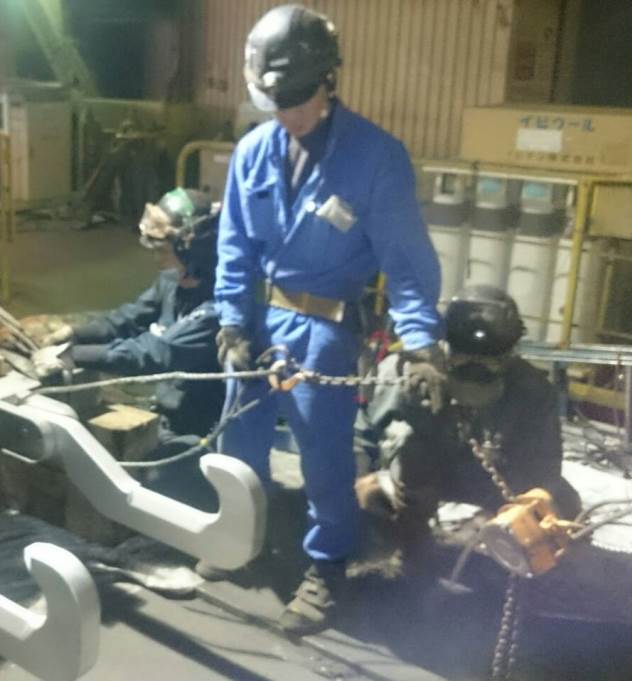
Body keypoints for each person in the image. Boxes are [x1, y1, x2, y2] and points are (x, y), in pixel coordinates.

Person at [213, 4, 445, 636]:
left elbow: (406, 262)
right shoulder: (252, 152)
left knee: (323, 457)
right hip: (257, 320)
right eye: (276, 101)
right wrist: (231, 321)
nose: (287, 113)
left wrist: (422, 343)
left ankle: (327, 565)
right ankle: (239, 535)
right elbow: (234, 245)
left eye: (297, 99)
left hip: (323, 330)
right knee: (240, 439)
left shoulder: (376, 158)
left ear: (327, 81)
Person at [355, 286, 581, 567]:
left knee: (565, 503)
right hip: (415, 481)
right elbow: (360, 437)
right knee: (393, 466)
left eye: (488, 361)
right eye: (464, 357)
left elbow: (544, 466)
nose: (475, 367)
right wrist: (361, 479)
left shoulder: (533, 390)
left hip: (488, 480)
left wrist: (529, 507)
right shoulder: (400, 373)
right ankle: (410, 546)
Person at [40, 188, 224, 445]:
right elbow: (128, 318)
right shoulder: (172, 279)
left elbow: (152, 353)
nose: (156, 258)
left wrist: (72, 356)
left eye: (163, 249)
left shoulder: (217, 307)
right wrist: (76, 334)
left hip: (203, 429)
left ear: (193, 250)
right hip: (169, 410)